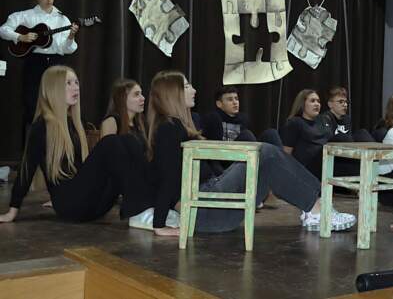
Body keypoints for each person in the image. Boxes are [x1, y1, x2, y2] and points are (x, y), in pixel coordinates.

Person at [146, 71, 356, 236]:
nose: (193, 89)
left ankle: (315, 208)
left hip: (213, 206)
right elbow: (167, 178)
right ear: (172, 94)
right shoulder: (168, 128)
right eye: (186, 86)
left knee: (266, 160)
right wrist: (159, 225)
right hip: (205, 211)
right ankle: (317, 208)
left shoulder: (180, 125)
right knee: (265, 151)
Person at [0, 66, 157, 227]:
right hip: (71, 206)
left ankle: (151, 207)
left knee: (129, 141)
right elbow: (26, 170)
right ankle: (140, 211)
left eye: (76, 82)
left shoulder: (75, 122)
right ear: (54, 89)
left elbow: (83, 170)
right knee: (111, 142)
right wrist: (13, 210)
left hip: (94, 206)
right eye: (68, 83)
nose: (76, 87)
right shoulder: (41, 127)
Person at [0, 0, 79, 131]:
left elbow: (67, 49)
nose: (49, 0)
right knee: (31, 102)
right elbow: (3, 30)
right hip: (34, 61)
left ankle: (56, 137)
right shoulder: (25, 16)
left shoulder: (63, 19)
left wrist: (70, 36)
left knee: (57, 101)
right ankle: (32, 138)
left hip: (56, 62)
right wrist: (20, 37)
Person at [202, 85, 282, 146]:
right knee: (246, 135)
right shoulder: (213, 118)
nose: (235, 102)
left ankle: (282, 162)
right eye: (230, 99)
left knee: (271, 133)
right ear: (219, 104)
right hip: (224, 156)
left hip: (245, 154)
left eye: (236, 99)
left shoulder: (244, 118)